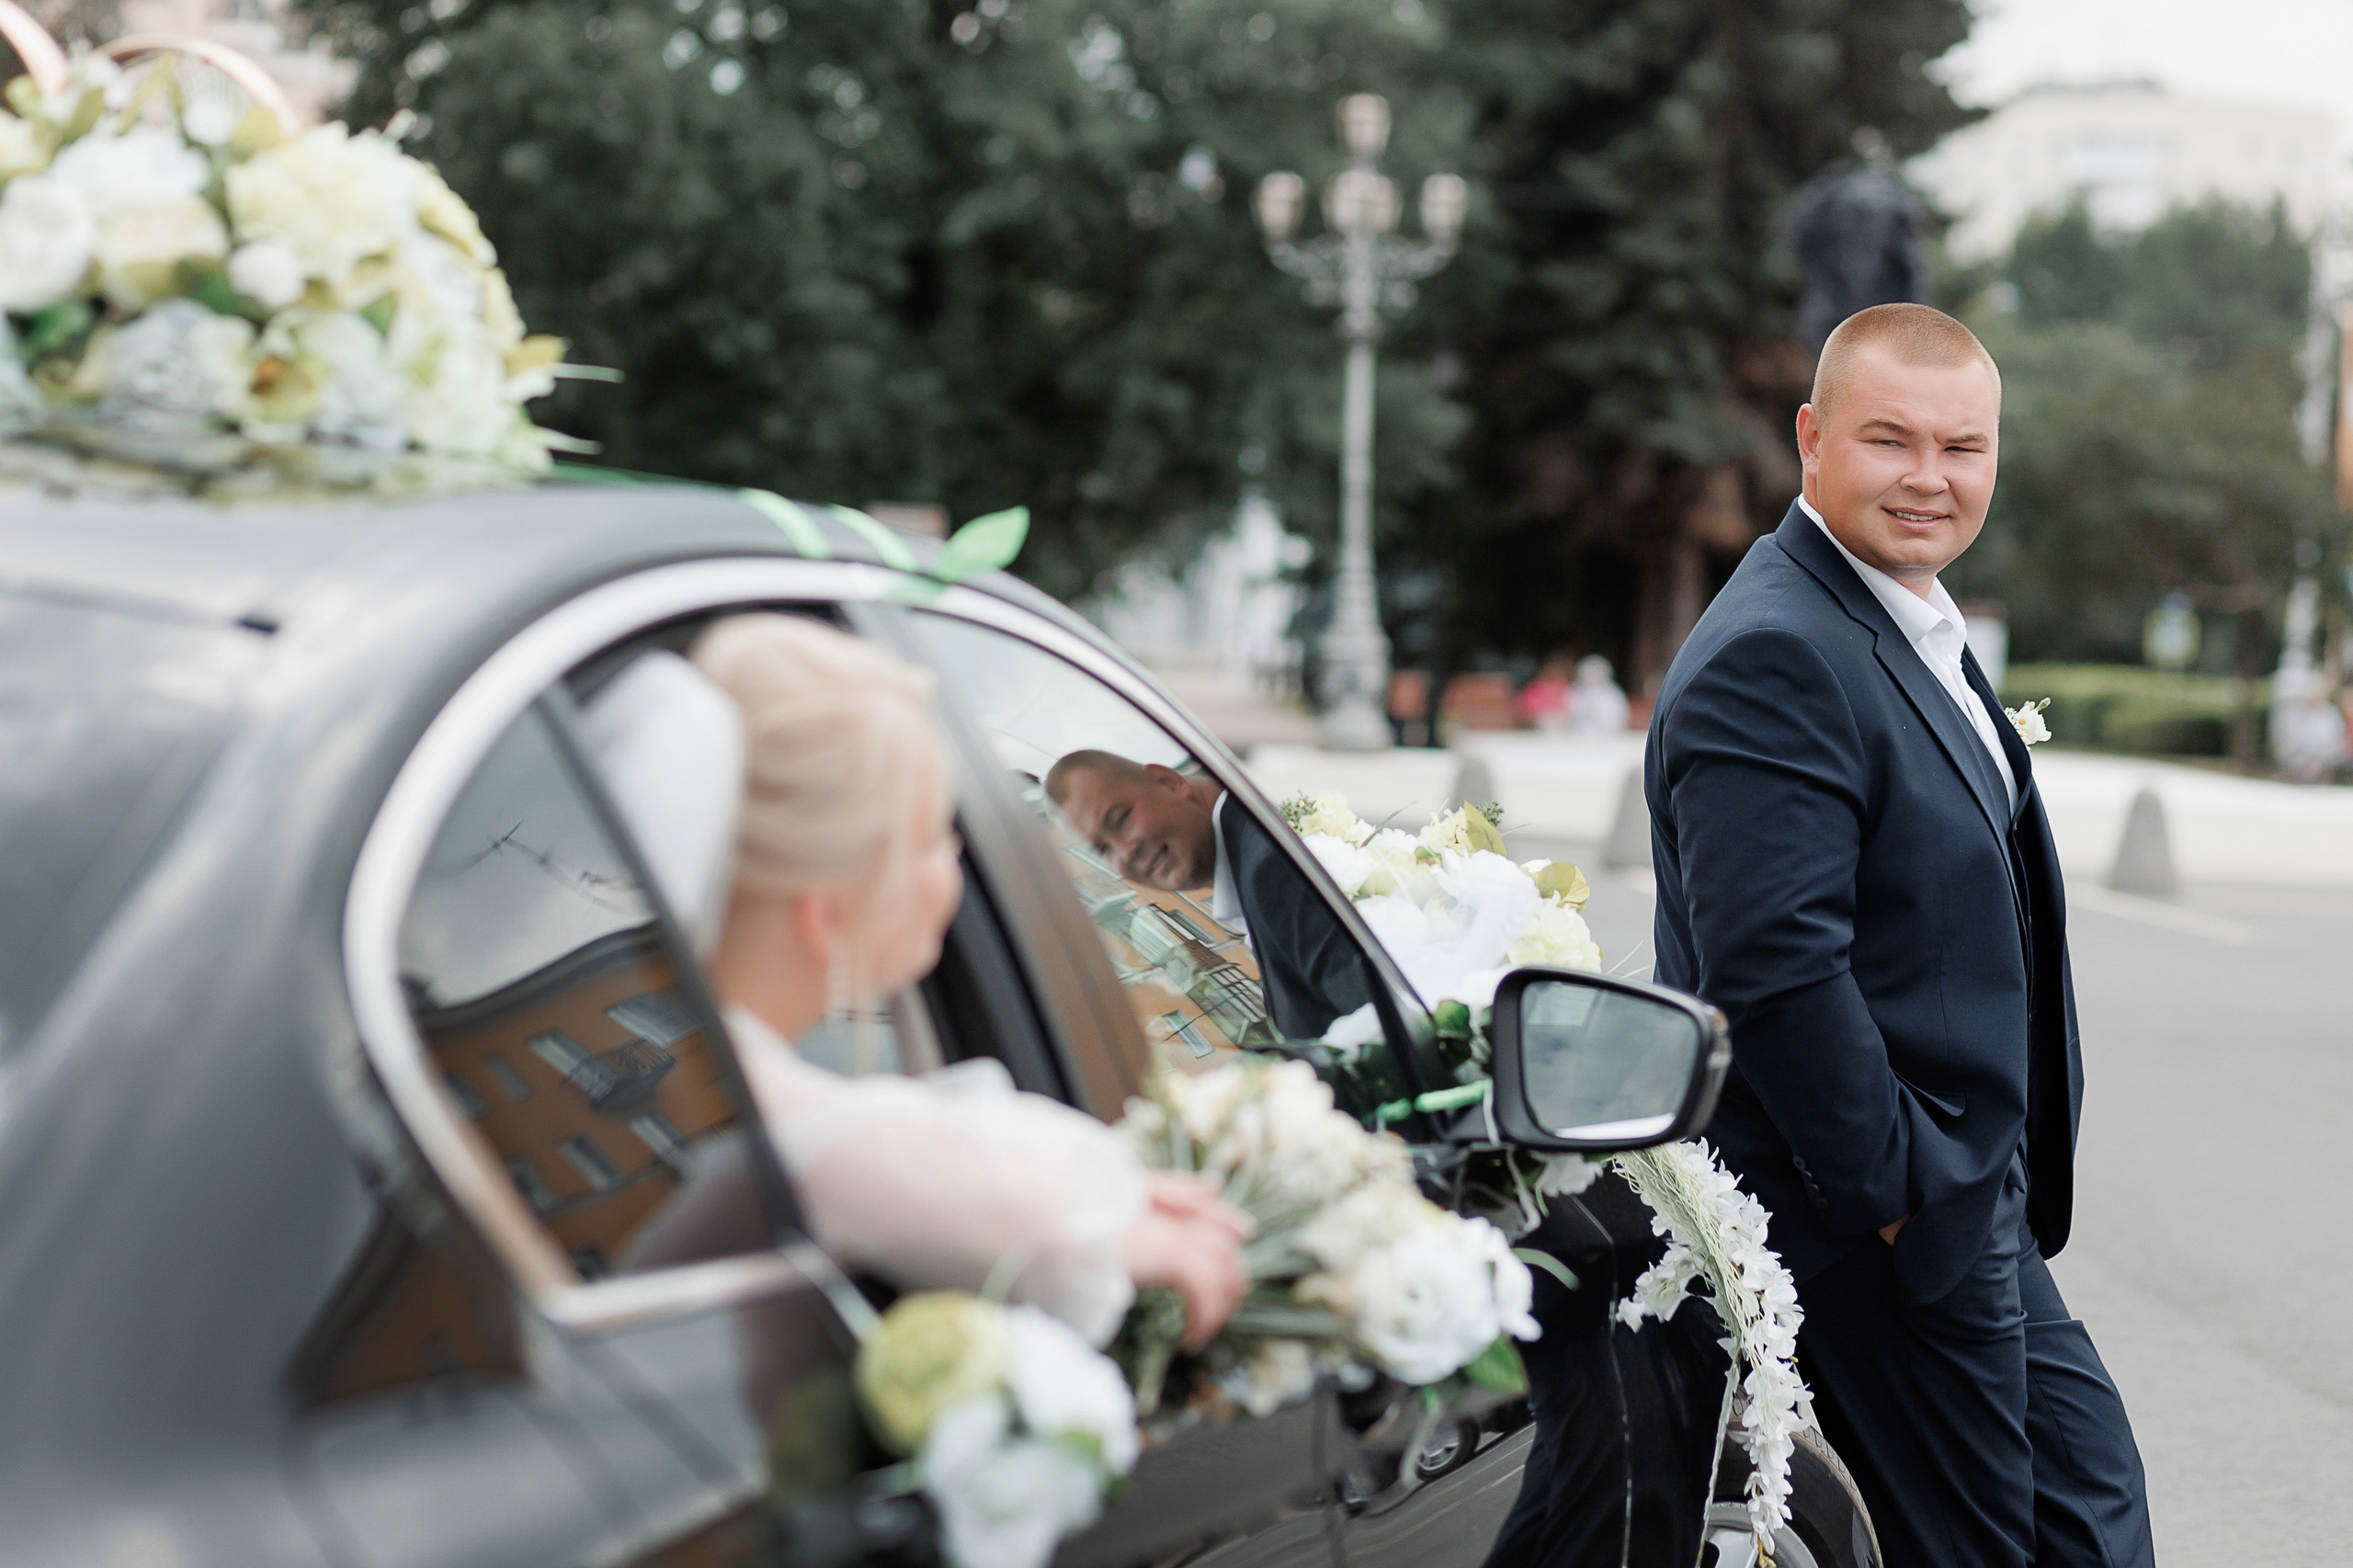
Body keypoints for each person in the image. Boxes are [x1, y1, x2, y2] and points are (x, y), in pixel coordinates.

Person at [1645, 304, 2154, 1568]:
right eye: (1891, 439)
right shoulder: (1780, 648)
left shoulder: (1900, 619)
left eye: (1963, 447)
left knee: (2086, 1511)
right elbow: (1770, 968)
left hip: (1965, 1195)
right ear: (1812, 440)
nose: (1932, 477)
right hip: (1880, 1222)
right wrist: (1902, 1206)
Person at [675, 615, 1250, 1349]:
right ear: (831, 913)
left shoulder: (715, 1087)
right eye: (926, 839)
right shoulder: (832, 1146)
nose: (957, 862)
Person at [1042, 749, 1372, 1041]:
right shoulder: (1254, 853)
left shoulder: (1269, 873)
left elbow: (1380, 1025)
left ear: (1169, 782)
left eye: (1121, 819)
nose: (1125, 854)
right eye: (1102, 849)